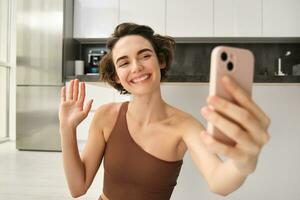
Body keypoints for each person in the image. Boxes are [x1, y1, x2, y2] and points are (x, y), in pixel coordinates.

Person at [59, 23, 271, 200]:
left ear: (160, 61)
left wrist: (243, 162)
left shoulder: (185, 126)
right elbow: (78, 188)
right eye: (124, 62)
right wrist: (66, 129)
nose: (136, 67)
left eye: (144, 56)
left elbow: (219, 181)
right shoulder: (106, 116)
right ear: (116, 76)